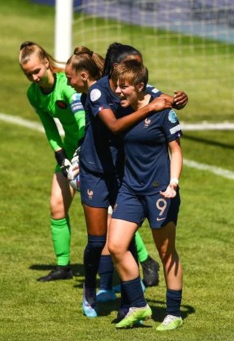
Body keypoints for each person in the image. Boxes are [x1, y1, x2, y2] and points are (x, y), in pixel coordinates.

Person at [65, 44, 184, 319]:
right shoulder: (98, 92)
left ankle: (130, 303)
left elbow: (160, 97)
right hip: (96, 170)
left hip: (124, 173)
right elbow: (115, 127)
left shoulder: (132, 86)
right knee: (98, 241)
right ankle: (91, 293)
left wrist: (178, 99)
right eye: (131, 65)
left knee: (123, 240)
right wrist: (152, 107)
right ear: (116, 68)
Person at [107, 60, 184, 331]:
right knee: (116, 246)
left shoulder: (163, 111)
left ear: (140, 87)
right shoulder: (122, 110)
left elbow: (175, 150)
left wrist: (173, 182)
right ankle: (139, 305)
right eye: (116, 85)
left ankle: (174, 313)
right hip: (131, 189)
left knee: (166, 253)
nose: (118, 90)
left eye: (123, 86)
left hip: (159, 190)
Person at [19, 41, 85, 282]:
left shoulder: (66, 85)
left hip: (89, 144)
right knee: (57, 204)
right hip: (69, 148)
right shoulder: (33, 94)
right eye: (28, 74)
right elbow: (49, 127)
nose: (34, 77)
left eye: (36, 71)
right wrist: (59, 152)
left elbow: (82, 120)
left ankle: (144, 260)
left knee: (106, 209)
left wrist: (83, 149)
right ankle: (63, 267)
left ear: (46, 63)